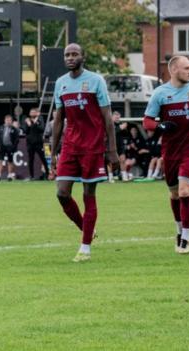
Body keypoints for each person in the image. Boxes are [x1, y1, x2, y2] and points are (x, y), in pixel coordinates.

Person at [51, 43, 118, 262]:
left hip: (92, 146)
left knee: (89, 194)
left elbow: (107, 118)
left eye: (74, 54)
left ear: (83, 56)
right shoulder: (60, 83)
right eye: (67, 55)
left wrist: (112, 150)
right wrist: (54, 150)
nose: (70, 57)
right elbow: (59, 119)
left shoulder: (96, 81)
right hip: (70, 146)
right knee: (62, 193)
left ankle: (85, 247)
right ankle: (86, 229)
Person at [142, 55, 189, 255]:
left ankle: (186, 239)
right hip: (171, 149)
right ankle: (179, 230)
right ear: (174, 70)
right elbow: (147, 121)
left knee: (184, 191)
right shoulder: (160, 94)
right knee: (174, 193)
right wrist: (160, 125)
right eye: (186, 68)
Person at [24, 107, 49, 180]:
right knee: (30, 159)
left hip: (38, 143)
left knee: (43, 158)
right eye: (31, 112)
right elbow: (25, 131)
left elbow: (41, 129)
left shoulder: (40, 120)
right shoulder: (27, 120)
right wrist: (29, 125)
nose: (32, 113)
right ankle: (31, 176)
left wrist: (34, 123)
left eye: (33, 112)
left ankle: (47, 174)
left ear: (37, 113)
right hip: (30, 143)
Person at [0, 114, 20, 181]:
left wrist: (14, 148)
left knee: (10, 161)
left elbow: (16, 140)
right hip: (2, 146)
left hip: (10, 147)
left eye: (9, 120)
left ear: (11, 121)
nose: (8, 121)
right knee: (0, 160)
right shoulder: (1, 127)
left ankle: (9, 175)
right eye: (7, 120)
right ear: (4, 120)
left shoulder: (14, 129)